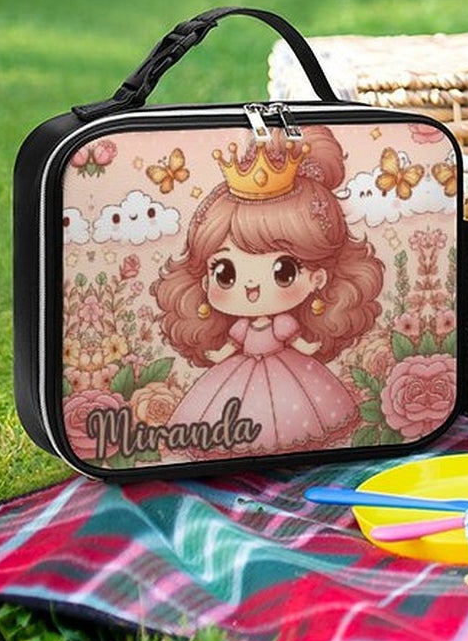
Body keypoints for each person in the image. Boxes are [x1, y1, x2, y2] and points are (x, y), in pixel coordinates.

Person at [153, 125, 384, 454]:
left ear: (318, 277)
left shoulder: (283, 326)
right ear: (205, 281)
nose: (250, 286)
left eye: (283, 271)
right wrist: (217, 354)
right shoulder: (242, 328)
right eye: (225, 271)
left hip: (289, 375)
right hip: (240, 376)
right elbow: (231, 347)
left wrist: (308, 347)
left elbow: (299, 342)